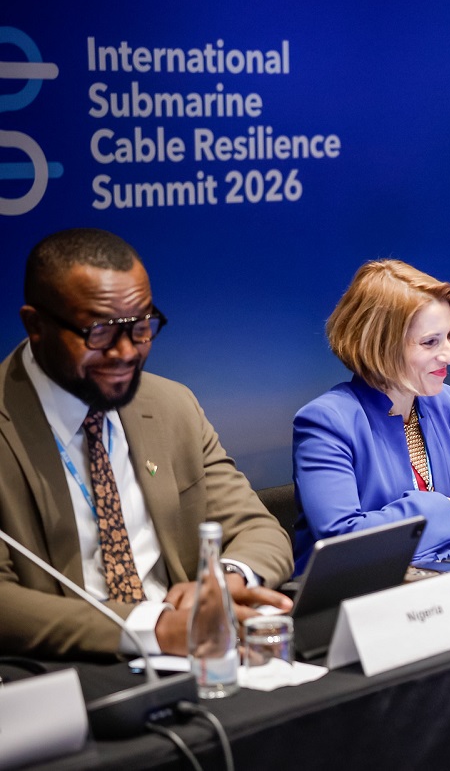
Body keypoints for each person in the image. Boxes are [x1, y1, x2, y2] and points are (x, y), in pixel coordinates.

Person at [0, 228, 292, 660]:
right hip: (70, 668)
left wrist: (224, 580)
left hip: (192, 655)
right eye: (99, 332)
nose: (125, 353)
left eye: (140, 328)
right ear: (36, 325)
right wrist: (153, 628)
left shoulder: (172, 405)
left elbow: (258, 529)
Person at [292, 261, 450, 571]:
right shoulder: (326, 422)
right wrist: (444, 510)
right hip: (362, 593)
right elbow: (344, 541)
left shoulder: (447, 403)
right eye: (430, 342)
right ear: (380, 346)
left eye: (448, 337)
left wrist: (433, 536)